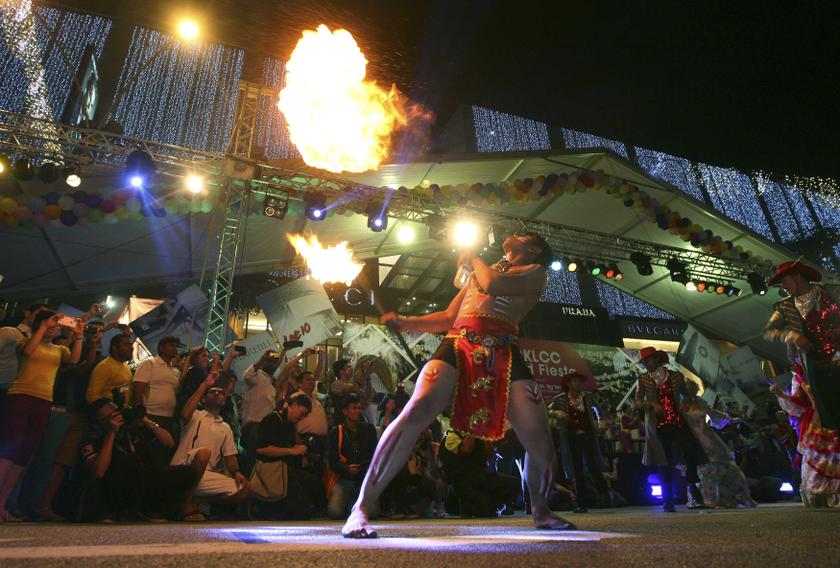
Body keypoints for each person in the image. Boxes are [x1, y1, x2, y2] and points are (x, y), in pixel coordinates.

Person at [343, 232, 574, 538]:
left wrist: (472, 254)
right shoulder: (484, 271)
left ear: (532, 248)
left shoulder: (535, 273)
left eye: (520, 234)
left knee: (538, 435)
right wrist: (406, 322)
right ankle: (361, 507)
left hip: (503, 348)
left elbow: (494, 285)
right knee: (416, 411)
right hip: (459, 341)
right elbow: (450, 316)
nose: (510, 234)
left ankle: (541, 511)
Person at [0, 310, 83, 522]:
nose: (55, 327)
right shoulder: (24, 341)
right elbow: (28, 351)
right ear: (40, 324)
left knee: (24, 453)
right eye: (50, 323)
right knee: (12, 447)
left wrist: (79, 335)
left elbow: (74, 360)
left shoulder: (59, 349)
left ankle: (2, 505)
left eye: (56, 325)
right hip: (20, 396)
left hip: (44, 401)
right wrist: (44, 327)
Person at [80, 398, 200, 521]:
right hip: (114, 484)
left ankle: (154, 511)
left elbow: (169, 443)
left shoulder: (131, 429)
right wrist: (111, 433)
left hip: (141, 478)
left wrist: (144, 419)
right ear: (99, 422)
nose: (116, 418)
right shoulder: (94, 438)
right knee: (128, 467)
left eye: (116, 413)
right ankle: (125, 512)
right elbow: (98, 472)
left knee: (187, 473)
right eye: (109, 417)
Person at [37, 320, 105, 521]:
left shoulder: (98, 355)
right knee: (50, 460)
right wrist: (82, 340)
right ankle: (38, 504)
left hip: (81, 415)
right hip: (62, 410)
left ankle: (47, 504)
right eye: (92, 329)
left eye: (99, 331)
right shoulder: (67, 351)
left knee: (64, 462)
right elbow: (77, 370)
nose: (95, 333)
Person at [764, 260, 840, 428]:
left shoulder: (832, 292)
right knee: (832, 414)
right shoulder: (785, 306)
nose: (782, 287)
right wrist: (791, 335)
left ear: (797, 276)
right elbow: (769, 331)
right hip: (816, 368)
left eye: (784, 281)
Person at [634, 346, 707, 512]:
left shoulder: (675, 376)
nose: (646, 364)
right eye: (644, 362)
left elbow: (687, 396)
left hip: (677, 420)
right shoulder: (643, 379)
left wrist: (686, 402)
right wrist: (651, 404)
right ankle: (668, 500)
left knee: (691, 447)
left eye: (648, 360)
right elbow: (637, 402)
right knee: (664, 461)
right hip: (659, 424)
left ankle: (691, 477)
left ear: (657, 359)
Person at [171, 371, 249, 518]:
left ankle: (197, 501)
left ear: (224, 400)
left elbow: (230, 457)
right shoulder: (196, 415)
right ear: (204, 399)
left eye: (221, 393)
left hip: (204, 476)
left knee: (243, 489)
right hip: (183, 469)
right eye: (212, 392)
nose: (217, 394)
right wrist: (204, 385)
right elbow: (184, 414)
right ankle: (188, 505)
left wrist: (237, 473)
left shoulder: (225, 427)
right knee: (203, 454)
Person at [772, 364, 840, 507]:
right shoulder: (799, 377)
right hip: (816, 423)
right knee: (819, 456)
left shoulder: (831, 366)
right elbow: (798, 405)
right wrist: (781, 394)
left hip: (833, 415)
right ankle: (823, 495)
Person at [682, 381, 756, 508]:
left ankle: (730, 497)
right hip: (692, 439)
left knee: (724, 467)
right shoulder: (678, 405)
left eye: (692, 389)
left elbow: (712, 413)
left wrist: (729, 419)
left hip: (708, 438)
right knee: (702, 470)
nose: (691, 392)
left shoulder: (700, 402)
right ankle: (704, 499)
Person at [256, 393, 325, 519]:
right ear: (293, 405)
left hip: (285, 468)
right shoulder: (272, 419)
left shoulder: (289, 424)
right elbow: (261, 450)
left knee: (315, 480)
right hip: (272, 469)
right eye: (302, 414)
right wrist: (290, 451)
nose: (302, 418)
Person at [550, 372, 609, 512]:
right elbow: (548, 409)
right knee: (576, 469)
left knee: (593, 465)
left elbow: (598, 409)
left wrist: (601, 422)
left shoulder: (587, 397)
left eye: (579, 381)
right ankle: (582, 502)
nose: (578, 383)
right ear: (568, 384)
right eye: (575, 381)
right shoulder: (560, 399)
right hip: (571, 438)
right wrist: (556, 413)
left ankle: (604, 497)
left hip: (588, 436)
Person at [439, 429, 518, 517]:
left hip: (480, 478)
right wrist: (472, 430)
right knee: (485, 511)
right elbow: (466, 450)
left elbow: (490, 453)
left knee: (514, 484)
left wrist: (484, 435)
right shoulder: (451, 437)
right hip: (461, 481)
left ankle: (487, 505)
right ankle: (467, 508)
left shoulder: (478, 435)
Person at [327, 395, 378, 519]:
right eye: (354, 408)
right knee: (334, 512)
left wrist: (362, 467)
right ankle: (351, 504)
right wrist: (346, 468)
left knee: (374, 512)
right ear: (345, 411)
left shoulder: (368, 429)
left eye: (359, 408)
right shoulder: (336, 432)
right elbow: (332, 460)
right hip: (344, 478)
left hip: (364, 478)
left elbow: (375, 454)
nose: (358, 411)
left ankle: (353, 504)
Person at [241, 349, 286, 474]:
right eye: (270, 361)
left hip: (265, 427)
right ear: (264, 363)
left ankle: (256, 488)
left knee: (261, 462)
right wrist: (261, 359)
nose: (273, 364)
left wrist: (284, 351)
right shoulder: (257, 376)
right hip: (253, 426)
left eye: (275, 362)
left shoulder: (270, 383)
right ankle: (246, 487)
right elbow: (246, 375)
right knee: (251, 460)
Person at [132, 336, 183, 445]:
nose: (175, 349)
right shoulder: (149, 364)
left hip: (169, 417)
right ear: (161, 348)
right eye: (171, 345)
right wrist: (139, 416)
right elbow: (137, 390)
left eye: (176, 346)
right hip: (150, 416)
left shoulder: (174, 371)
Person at [0, 303, 48, 403]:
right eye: (39, 314)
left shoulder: (39, 341)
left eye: (44, 317)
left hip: (17, 392)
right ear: (27, 313)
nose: (41, 318)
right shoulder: (8, 332)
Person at [85, 334, 133, 403]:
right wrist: (111, 412)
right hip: (111, 411)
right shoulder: (104, 366)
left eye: (131, 344)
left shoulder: (124, 364)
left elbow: (122, 386)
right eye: (126, 344)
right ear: (115, 348)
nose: (131, 347)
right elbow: (91, 396)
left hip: (122, 409)